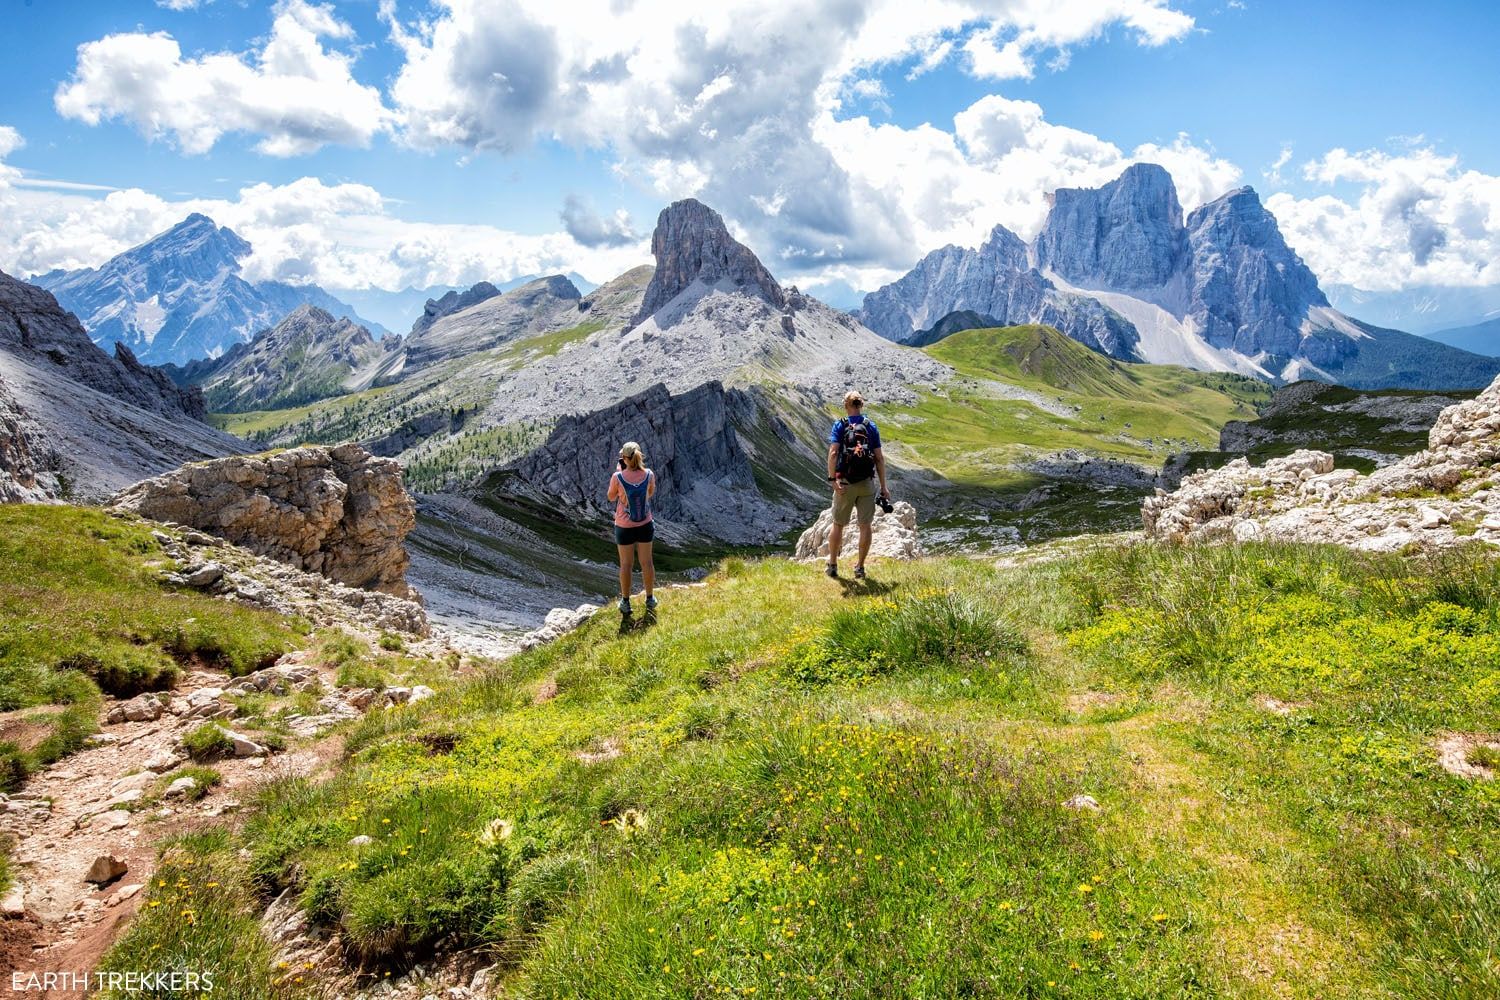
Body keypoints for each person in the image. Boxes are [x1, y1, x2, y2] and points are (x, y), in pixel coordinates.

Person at [825, 390, 890, 579]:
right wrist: (884, 487)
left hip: (844, 483)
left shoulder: (841, 425)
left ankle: (833, 565)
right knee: (865, 526)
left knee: (838, 524)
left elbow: (833, 453)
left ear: (846, 405)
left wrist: (832, 479)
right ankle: (860, 567)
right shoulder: (871, 426)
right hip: (867, 483)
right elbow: (879, 458)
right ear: (861, 405)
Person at [607, 441, 657, 616]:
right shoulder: (649, 474)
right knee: (647, 562)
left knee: (626, 564)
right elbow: (649, 494)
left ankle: (626, 602)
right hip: (645, 523)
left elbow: (611, 497)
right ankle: (650, 599)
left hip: (624, 525)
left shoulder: (617, 477)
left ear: (625, 459)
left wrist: (620, 473)